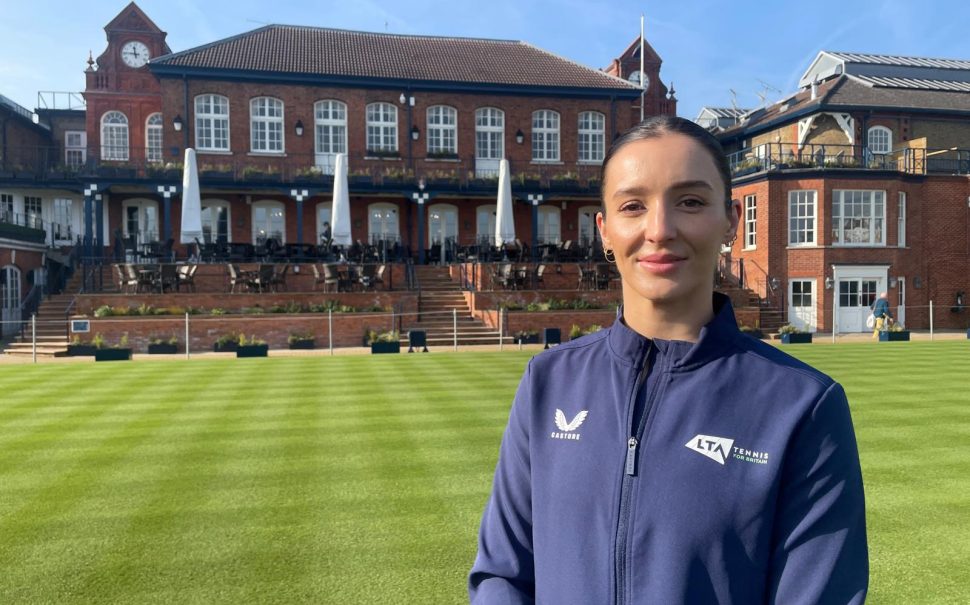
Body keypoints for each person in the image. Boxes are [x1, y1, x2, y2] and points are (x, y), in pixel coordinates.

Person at [469, 116, 868, 604]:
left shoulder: (802, 405)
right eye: (633, 206)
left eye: (691, 202)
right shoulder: (549, 381)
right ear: (606, 230)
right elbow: (502, 574)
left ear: (730, 221)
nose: (659, 230)